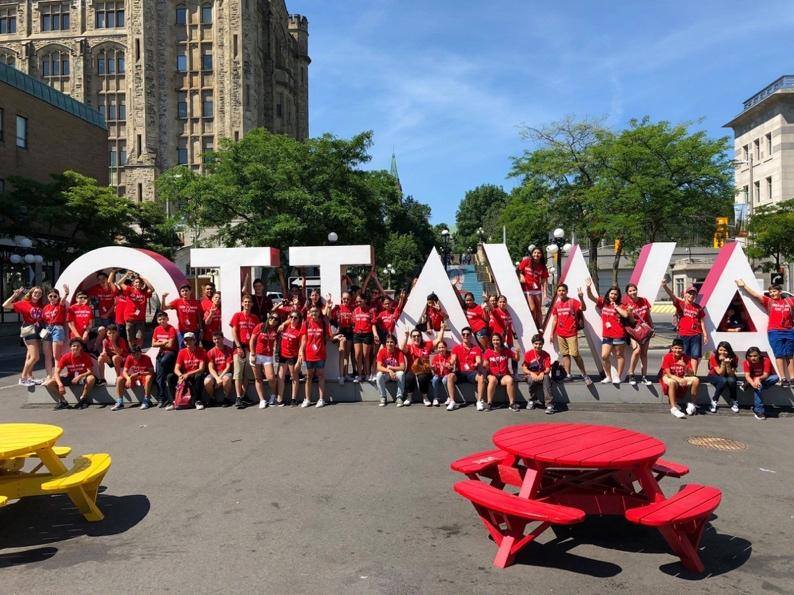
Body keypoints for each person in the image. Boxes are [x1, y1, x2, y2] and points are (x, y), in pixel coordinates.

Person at [736, 280, 793, 387]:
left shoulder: (789, 301)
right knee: (779, 355)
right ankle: (783, 378)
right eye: (770, 292)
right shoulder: (769, 301)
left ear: (780, 291)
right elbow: (756, 295)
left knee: (790, 355)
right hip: (775, 331)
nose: (772, 294)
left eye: (774, 291)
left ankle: (792, 377)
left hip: (789, 331)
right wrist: (744, 286)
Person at [585, 280, 630, 385]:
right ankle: (608, 376)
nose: (613, 296)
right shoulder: (603, 303)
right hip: (607, 335)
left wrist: (616, 307)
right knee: (604, 356)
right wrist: (588, 288)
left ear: (618, 296)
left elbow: (626, 315)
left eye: (615, 294)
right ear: (608, 294)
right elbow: (591, 297)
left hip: (619, 334)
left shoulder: (621, 305)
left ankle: (618, 377)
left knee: (619, 355)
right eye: (612, 293)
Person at [549, 284, 592, 385]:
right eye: (559, 291)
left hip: (571, 333)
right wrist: (552, 333)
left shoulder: (573, 302)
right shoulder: (557, 305)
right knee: (565, 354)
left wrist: (581, 298)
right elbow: (555, 320)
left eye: (563, 290)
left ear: (567, 291)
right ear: (557, 292)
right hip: (560, 334)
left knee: (575, 354)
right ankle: (568, 375)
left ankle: (585, 375)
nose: (561, 292)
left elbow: (583, 308)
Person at [3, 286, 45, 386]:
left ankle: (30, 377)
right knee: (35, 357)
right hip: (29, 330)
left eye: (39, 293)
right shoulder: (23, 303)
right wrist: (14, 295)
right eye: (35, 292)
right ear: (31, 293)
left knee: (29, 356)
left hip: (38, 330)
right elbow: (5, 305)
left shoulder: (40, 304)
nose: (37, 294)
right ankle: (23, 378)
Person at [662, 280, 706, 374]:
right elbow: (672, 296)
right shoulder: (681, 304)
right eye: (689, 293)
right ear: (685, 294)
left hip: (696, 334)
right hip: (683, 334)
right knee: (682, 354)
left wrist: (705, 334)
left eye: (693, 294)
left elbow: (702, 321)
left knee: (695, 355)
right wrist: (665, 286)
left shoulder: (698, 307)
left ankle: (693, 374)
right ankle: (682, 373)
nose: (691, 296)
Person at [45, 338, 96, 410]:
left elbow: (90, 371)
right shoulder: (66, 357)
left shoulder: (85, 356)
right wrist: (60, 385)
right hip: (70, 377)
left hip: (82, 377)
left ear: (81, 347)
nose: (76, 348)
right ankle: (63, 402)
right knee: (50, 383)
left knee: (91, 378)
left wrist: (80, 376)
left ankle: (83, 399)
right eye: (74, 346)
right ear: (70, 347)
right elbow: (56, 372)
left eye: (78, 346)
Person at [229, 295, 260, 409]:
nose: (247, 304)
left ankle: (242, 396)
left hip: (250, 348)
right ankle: (238, 397)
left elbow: (256, 335)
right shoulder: (237, 315)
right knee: (238, 373)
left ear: (252, 304)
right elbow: (234, 331)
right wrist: (238, 347)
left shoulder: (255, 318)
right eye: (245, 302)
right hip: (239, 347)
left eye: (249, 302)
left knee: (247, 374)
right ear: (242, 303)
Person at [401, 326, 443, 406]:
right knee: (409, 377)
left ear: (421, 337)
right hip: (412, 369)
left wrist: (442, 328)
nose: (416, 338)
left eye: (418, 336)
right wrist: (406, 336)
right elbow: (402, 347)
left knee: (422, 377)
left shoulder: (427, 345)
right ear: (411, 338)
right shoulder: (409, 347)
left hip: (424, 370)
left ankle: (425, 397)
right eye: (414, 336)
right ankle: (409, 397)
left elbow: (438, 340)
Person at [299, 305, 331, 408]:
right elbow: (303, 340)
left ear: (319, 312)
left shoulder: (323, 323)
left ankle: (321, 399)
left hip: (320, 354)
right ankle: (307, 399)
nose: (314, 313)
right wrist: (301, 352)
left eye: (316, 311)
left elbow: (327, 337)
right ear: (309, 313)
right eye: (312, 312)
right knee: (308, 377)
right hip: (309, 355)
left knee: (321, 376)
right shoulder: (306, 323)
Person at [623, 283, 655, 386]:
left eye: (634, 290)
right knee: (637, 350)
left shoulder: (644, 300)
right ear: (627, 293)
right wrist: (630, 313)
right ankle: (631, 374)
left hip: (645, 330)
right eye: (630, 291)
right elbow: (630, 320)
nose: (633, 292)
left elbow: (648, 316)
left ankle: (644, 377)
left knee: (644, 354)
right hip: (634, 330)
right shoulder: (625, 303)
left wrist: (652, 328)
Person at [447, 326, 485, 410]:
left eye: (467, 334)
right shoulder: (456, 348)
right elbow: (453, 358)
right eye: (463, 334)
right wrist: (450, 363)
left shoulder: (476, 348)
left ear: (471, 336)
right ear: (461, 336)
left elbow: (478, 359)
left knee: (481, 377)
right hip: (460, 372)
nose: (465, 336)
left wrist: (476, 363)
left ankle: (479, 401)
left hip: (472, 373)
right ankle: (452, 401)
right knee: (450, 376)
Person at [167, 332, 208, 410]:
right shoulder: (182, 352)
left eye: (190, 340)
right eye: (186, 340)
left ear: (195, 341)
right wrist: (180, 375)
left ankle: (198, 401)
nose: (188, 342)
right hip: (184, 375)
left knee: (199, 376)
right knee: (170, 377)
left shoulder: (201, 350)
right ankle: (174, 401)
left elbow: (201, 368)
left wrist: (188, 374)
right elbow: (176, 368)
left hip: (195, 374)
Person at [661, 338, 700, 419]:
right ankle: (673, 408)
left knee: (696, 380)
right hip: (669, 376)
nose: (677, 350)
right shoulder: (667, 357)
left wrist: (684, 366)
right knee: (672, 382)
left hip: (682, 376)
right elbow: (668, 374)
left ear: (683, 349)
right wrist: (678, 379)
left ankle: (692, 404)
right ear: (672, 348)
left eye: (680, 348)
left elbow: (692, 373)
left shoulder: (686, 357)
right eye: (675, 348)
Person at [250, 312, 280, 408]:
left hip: (268, 356)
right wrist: (253, 353)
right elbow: (252, 340)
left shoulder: (276, 330)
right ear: (268, 317)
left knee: (271, 378)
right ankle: (262, 400)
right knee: (258, 378)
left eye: (276, 319)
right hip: (257, 355)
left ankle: (273, 396)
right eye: (272, 317)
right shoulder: (260, 326)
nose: (273, 320)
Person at [483, 333, 519, 412]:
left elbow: (516, 359)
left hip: (504, 375)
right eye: (494, 340)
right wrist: (485, 365)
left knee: (510, 380)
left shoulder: (505, 350)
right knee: (492, 380)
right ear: (491, 341)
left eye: (497, 340)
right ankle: (489, 403)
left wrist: (517, 353)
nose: (496, 342)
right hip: (492, 375)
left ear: (501, 341)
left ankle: (512, 403)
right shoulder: (488, 351)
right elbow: (485, 364)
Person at [41, 285, 71, 380]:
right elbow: (43, 319)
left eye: (55, 296)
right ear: (47, 297)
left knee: (56, 355)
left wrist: (66, 293)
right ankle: (49, 375)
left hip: (58, 329)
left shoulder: (60, 305)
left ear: (58, 297)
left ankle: (56, 375)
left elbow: (63, 301)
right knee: (47, 354)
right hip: (47, 329)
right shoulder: (45, 308)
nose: (53, 298)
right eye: (50, 296)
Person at [116, 272, 154, 347]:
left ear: (142, 284)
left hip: (140, 319)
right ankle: (133, 351)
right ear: (133, 283)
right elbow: (119, 283)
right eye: (136, 282)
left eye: (139, 282)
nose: (138, 284)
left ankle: (138, 351)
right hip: (129, 318)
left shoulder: (144, 292)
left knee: (140, 337)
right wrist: (126, 274)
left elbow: (152, 289)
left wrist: (142, 277)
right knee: (130, 338)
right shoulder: (129, 290)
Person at [522, 334, 556, 414]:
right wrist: (532, 373)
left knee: (547, 377)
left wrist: (542, 373)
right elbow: (524, 368)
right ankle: (532, 400)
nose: (538, 346)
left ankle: (549, 405)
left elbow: (548, 368)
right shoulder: (528, 354)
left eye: (540, 344)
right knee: (531, 379)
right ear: (533, 344)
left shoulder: (546, 355)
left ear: (543, 344)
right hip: (531, 375)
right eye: (536, 344)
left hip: (542, 375)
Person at [116, 344, 155, 410]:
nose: (135, 356)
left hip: (143, 375)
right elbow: (124, 371)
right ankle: (120, 402)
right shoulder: (129, 357)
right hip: (133, 376)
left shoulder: (146, 358)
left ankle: (146, 400)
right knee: (119, 379)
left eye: (137, 354)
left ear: (140, 353)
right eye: (133, 354)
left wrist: (140, 373)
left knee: (149, 377)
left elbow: (152, 372)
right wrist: (128, 378)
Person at [151, 310, 178, 407]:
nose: (162, 321)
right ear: (158, 321)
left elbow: (171, 345)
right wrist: (164, 341)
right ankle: (162, 399)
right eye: (160, 319)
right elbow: (153, 344)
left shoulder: (171, 329)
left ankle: (166, 372)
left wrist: (160, 342)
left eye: (164, 319)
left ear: (167, 319)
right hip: (161, 353)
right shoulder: (157, 329)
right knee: (159, 378)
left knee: (163, 361)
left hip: (171, 353)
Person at [276, 310, 304, 406]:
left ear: (299, 319)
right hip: (282, 355)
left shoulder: (300, 330)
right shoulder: (285, 326)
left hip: (293, 356)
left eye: (295, 318)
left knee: (294, 377)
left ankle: (293, 399)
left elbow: (301, 345)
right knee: (280, 377)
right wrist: (283, 323)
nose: (293, 319)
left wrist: (300, 359)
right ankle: (279, 398)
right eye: (291, 317)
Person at [743, 346, 778, 420]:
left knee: (775, 378)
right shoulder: (746, 362)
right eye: (750, 356)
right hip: (753, 380)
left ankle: (748, 385)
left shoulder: (766, 360)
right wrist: (753, 383)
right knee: (758, 387)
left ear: (759, 355)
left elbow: (766, 374)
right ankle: (759, 411)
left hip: (764, 378)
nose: (753, 358)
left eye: (755, 356)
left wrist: (758, 378)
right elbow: (747, 376)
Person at [517, 247, 549, 328]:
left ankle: (540, 326)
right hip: (527, 289)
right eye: (535, 252)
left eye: (538, 253)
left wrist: (545, 293)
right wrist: (521, 276)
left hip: (537, 290)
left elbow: (544, 280)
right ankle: (533, 326)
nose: (536, 254)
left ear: (541, 255)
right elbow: (518, 270)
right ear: (532, 254)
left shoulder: (543, 266)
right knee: (532, 309)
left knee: (539, 309)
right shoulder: (526, 261)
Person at [707, 341, 739, 414]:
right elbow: (720, 373)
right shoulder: (713, 357)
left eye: (725, 350)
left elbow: (731, 374)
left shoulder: (734, 357)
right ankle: (714, 401)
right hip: (714, 375)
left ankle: (733, 400)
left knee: (732, 380)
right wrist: (723, 362)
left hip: (728, 374)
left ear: (729, 350)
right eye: (720, 350)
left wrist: (728, 364)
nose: (722, 352)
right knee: (723, 380)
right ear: (717, 350)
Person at [375, 334, 407, 406]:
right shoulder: (382, 351)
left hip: (396, 374)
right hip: (386, 374)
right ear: (385, 343)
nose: (389, 344)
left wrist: (391, 368)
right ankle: (383, 397)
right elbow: (378, 367)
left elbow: (402, 367)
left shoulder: (399, 352)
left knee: (401, 374)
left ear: (395, 343)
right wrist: (389, 370)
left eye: (391, 342)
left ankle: (399, 397)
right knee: (379, 375)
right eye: (387, 342)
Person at [204, 331, 234, 407]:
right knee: (207, 381)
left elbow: (228, 367)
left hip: (225, 372)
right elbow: (210, 367)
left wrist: (219, 378)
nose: (217, 341)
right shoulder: (210, 352)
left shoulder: (228, 350)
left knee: (226, 379)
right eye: (215, 339)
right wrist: (217, 378)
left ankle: (226, 398)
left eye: (218, 338)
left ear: (222, 339)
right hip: (215, 374)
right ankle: (212, 398)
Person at [329, 292, 354, 382]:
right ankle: (341, 376)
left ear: (350, 299)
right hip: (340, 332)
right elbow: (329, 317)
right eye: (344, 298)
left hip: (349, 331)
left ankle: (346, 374)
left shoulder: (352, 308)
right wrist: (328, 306)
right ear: (341, 298)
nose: (346, 300)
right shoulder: (337, 307)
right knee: (342, 352)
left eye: (348, 299)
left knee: (347, 355)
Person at [352, 295, 377, 382]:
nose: (358, 303)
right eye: (357, 302)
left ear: (365, 300)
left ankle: (367, 374)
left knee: (366, 355)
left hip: (367, 334)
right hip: (357, 335)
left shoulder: (371, 311)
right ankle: (359, 375)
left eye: (360, 301)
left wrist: (375, 335)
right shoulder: (355, 311)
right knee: (357, 355)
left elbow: (373, 324)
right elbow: (353, 323)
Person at [430, 339, 458, 410]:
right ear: (437, 349)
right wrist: (433, 368)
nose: (441, 349)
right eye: (439, 347)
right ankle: (435, 398)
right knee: (434, 379)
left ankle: (449, 397)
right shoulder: (436, 357)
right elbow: (434, 369)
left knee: (445, 380)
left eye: (443, 347)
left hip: (447, 374)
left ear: (446, 348)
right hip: (438, 374)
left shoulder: (449, 356)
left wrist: (449, 366)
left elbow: (452, 367)